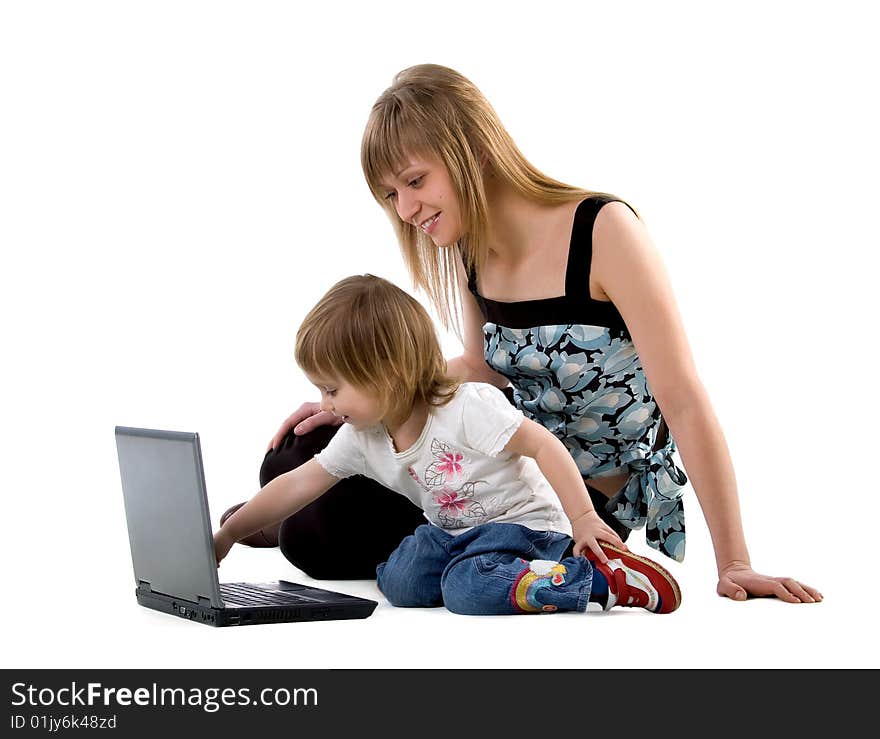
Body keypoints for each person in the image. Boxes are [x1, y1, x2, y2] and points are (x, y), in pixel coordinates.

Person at [241, 64, 821, 604]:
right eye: (393, 195)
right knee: (296, 456)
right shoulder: (470, 247)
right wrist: (353, 397)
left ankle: (550, 571)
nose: (408, 208)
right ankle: (283, 520)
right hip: (492, 458)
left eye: (415, 181)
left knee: (313, 532)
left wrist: (734, 561)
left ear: (470, 153)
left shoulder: (603, 230)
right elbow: (477, 368)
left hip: (565, 495)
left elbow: (684, 399)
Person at [215, 275, 682, 615]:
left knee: (465, 591)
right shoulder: (364, 436)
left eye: (333, 390)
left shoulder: (465, 408)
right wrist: (230, 533)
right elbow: (298, 484)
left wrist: (583, 520)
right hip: (455, 533)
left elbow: (543, 446)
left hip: (524, 529)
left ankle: (601, 581)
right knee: (400, 579)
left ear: (386, 373)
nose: (325, 403)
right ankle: (487, 573)